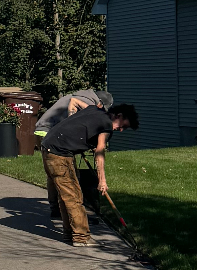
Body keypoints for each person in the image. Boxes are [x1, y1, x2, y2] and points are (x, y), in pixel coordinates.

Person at [40, 100, 139, 248]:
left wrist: (72, 129)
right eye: (123, 125)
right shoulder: (106, 125)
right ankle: (81, 237)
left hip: (52, 147)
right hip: (59, 153)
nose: (121, 130)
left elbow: (74, 102)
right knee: (73, 196)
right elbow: (100, 152)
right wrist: (102, 181)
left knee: (66, 195)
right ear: (118, 115)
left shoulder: (95, 109)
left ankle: (70, 234)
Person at [34, 87, 112, 220]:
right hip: (50, 134)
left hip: (42, 132)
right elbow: (76, 115)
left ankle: (56, 209)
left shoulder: (82, 96)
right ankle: (72, 214)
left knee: (54, 175)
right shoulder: (89, 104)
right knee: (69, 176)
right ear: (100, 103)